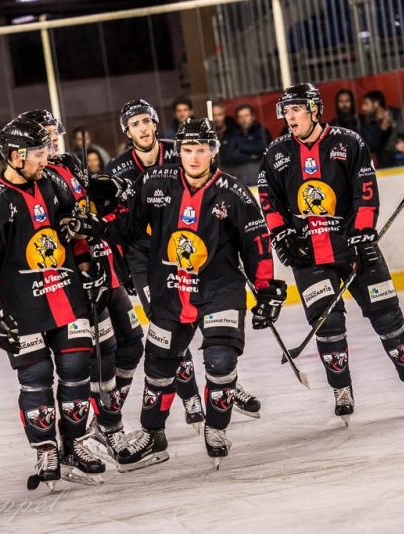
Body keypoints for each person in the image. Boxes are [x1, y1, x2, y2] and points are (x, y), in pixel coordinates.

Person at [97, 118, 286, 470]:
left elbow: (257, 245)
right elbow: (126, 229)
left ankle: (215, 427)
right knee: (158, 366)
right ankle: (153, 436)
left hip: (220, 291)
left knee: (220, 360)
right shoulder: (155, 182)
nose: (194, 157)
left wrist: (265, 289)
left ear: (213, 151)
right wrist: (103, 215)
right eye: (187, 150)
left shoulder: (234, 192)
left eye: (201, 149)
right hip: (170, 289)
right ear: (178, 151)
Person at [258, 83, 404, 425]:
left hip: (352, 245)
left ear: (314, 109)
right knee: (328, 320)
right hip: (307, 253)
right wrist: (280, 233)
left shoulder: (348, 142)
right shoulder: (276, 152)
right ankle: (341, 389)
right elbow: (269, 198)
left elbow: (365, 191)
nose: (289, 116)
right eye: (286, 110)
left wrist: (364, 233)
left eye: (296, 108)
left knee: (386, 314)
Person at [0, 117, 112, 491]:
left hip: (66, 296)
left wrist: (87, 267)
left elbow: (74, 232)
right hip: (21, 309)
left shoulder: (54, 182)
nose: (46, 159)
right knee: (36, 381)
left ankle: (75, 444)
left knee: (77, 367)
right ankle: (46, 448)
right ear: (16, 156)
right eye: (39, 154)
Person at [17, 108, 137, 463]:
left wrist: (107, 193)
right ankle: (105, 430)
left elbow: (91, 210)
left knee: (131, 344)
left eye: (56, 131)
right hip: (79, 276)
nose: (54, 138)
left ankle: (105, 421)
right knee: (100, 356)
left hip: (104, 266)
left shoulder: (68, 163)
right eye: (45, 134)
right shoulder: (37, 178)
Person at [224, 103, 272, 185]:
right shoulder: (233, 134)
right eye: (240, 117)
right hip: (240, 176)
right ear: (237, 120)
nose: (244, 119)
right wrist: (251, 156)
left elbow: (263, 149)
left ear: (253, 117)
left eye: (246, 116)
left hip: (261, 173)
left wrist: (240, 148)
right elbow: (229, 155)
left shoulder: (261, 131)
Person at [359, 90, 401, 168]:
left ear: (376, 104)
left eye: (366, 104)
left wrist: (393, 124)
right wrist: (381, 130)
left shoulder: (396, 114)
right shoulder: (367, 124)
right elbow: (369, 147)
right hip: (385, 166)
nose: (363, 108)